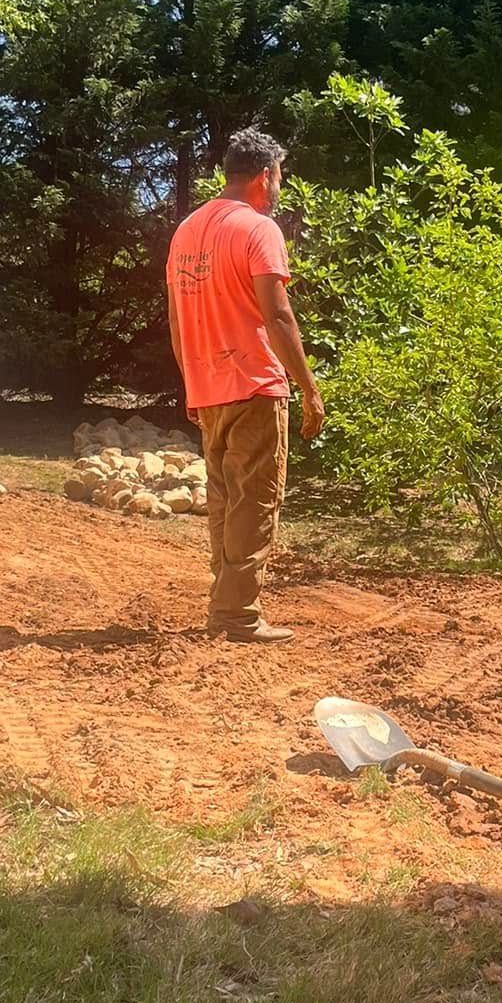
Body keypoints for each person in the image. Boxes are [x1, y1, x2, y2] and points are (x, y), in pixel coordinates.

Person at [166, 128, 325, 644]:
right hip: (255, 384)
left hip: (208, 386)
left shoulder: (187, 230)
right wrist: (308, 387)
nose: (279, 187)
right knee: (254, 501)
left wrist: (191, 381)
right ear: (264, 176)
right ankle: (236, 616)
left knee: (224, 500)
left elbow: (175, 317)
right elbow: (277, 315)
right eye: (279, 177)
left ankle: (226, 603)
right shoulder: (259, 229)